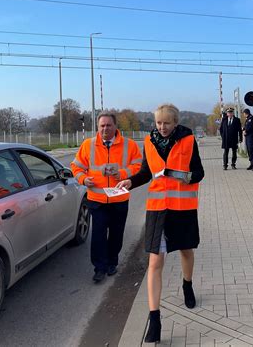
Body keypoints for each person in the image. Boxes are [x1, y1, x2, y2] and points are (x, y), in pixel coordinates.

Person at [116, 104, 204, 344]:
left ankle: (187, 285)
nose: (162, 127)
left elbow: (199, 172)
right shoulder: (149, 142)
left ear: (175, 122)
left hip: (182, 209)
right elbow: (146, 172)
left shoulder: (187, 140)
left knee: (187, 251)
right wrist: (129, 182)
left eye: (166, 123)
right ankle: (154, 319)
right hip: (157, 210)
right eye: (158, 123)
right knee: (155, 261)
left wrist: (186, 176)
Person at [71, 112, 142, 283]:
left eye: (108, 125)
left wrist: (123, 173)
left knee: (116, 235)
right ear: (97, 127)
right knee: (98, 236)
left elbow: (139, 166)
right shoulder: (88, 145)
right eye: (102, 125)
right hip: (97, 200)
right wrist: (83, 179)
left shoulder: (129, 145)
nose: (105, 128)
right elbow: (76, 167)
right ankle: (99, 268)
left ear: (115, 126)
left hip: (119, 199)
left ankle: (112, 263)